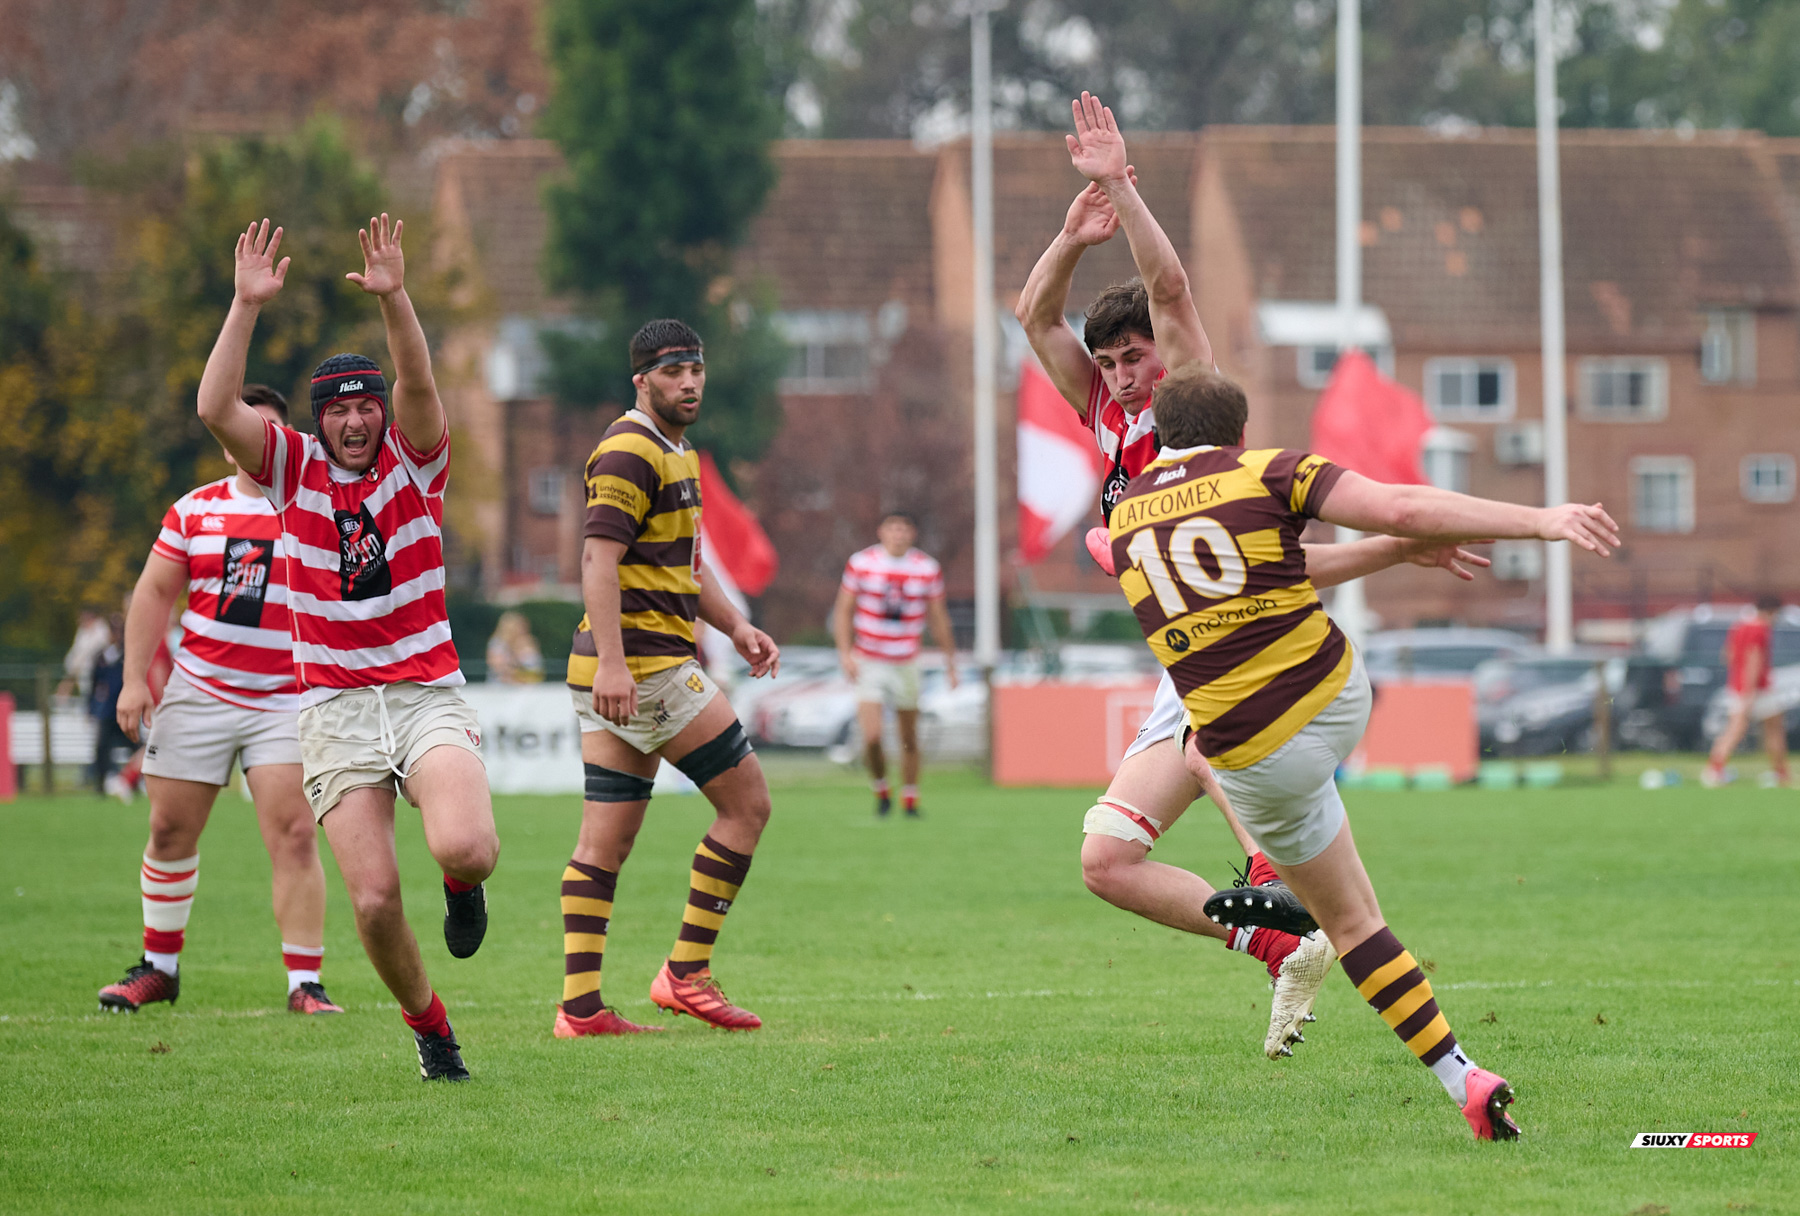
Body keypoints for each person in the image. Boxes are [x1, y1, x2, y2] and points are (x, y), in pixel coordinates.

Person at [1016, 92, 1490, 1058]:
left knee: (1210, 747)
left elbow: (1174, 287)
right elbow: (1034, 316)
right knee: (1105, 860)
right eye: (1107, 360)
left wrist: (1117, 185)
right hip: (1179, 661)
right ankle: (1276, 940)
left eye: (1132, 355)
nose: (1118, 373)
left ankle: (1274, 875)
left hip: (1232, 658)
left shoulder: (1188, 402)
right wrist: (1070, 235)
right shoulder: (1106, 422)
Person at [1112, 362, 1620, 1138]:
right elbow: (1403, 506)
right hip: (1335, 697)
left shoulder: (1126, 521)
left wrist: (1393, 549)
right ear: (1239, 433)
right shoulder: (1267, 469)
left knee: (1345, 924)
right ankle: (1468, 1084)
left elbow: (1279, 563)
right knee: (1349, 906)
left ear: (1162, 438)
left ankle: (1277, 887)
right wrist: (1541, 520)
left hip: (1256, 765)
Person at [196, 216, 498, 1082]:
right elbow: (217, 407)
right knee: (370, 904)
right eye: (341, 409)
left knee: (466, 848)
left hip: (422, 691)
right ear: (321, 421)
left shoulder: (415, 461)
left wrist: (397, 295)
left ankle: (463, 890)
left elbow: (418, 377)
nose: (358, 418)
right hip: (332, 709)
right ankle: (432, 1030)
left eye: (367, 404)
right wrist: (245, 304)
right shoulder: (290, 470)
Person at [556, 318, 783, 1039]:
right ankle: (685, 974)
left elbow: (684, 567)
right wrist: (619, 664)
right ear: (641, 380)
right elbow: (597, 561)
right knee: (747, 806)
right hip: (644, 669)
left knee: (605, 842)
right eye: (672, 371)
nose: (689, 382)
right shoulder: (629, 449)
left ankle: (581, 1008)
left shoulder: (674, 449)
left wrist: (736, 626)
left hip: (620, 668)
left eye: (696, 368)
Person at [97, 386, 342, 1017]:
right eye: (244, 430)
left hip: (288, 699)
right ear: (227, 442)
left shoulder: (318, 508)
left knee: (293, 835)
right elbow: (152, 593)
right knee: (168, 828)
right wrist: (132, 681)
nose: (255, 441)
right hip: (199, 692)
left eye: (269, 432)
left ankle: (305, 984)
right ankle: (159, 968)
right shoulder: (194, 511)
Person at [833, 513, 958, 817]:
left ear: (912, 533)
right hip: (870, 659)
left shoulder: (926, 568)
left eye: (903, 528)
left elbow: (938, 617)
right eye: (892, 528)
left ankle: (911, 800)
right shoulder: (862, 563)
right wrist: (845, 653)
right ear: (882, 531)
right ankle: (881, 789)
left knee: (908, 737)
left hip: (906, 660)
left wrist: (950, 661)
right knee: (872, 736)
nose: (898, 534)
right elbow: (843, 611)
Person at [1703, 595, 1790, 788]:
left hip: (1737, 685)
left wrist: (1738, 680)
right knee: (1765, 730)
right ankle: (1780, 773)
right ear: (1772, 612)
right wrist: (1749, 691)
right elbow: (1754, 659)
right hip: (1757, 688)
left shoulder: (1739, 626)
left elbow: (1728, 655)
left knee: (1740, 728)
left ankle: (1715, 769)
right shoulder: (1760, 628)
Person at [486, 610, 545, 683]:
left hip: (527, 687)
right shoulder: (498, 643)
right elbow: (497, 667)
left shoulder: (528, 642)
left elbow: (536, 668)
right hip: (501, 687)